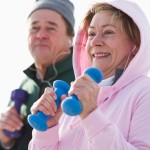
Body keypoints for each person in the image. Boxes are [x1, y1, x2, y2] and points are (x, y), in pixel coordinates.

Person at [28, 0, 150, 149]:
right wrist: (47, 130)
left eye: (108, 32)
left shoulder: (144, 91)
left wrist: (91, 115)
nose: (95, 42)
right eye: (91, 34)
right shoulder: (72, 97)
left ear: (136, 45)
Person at [0, 0, 75, 149]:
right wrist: (5, 140)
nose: (40, 35)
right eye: (34, 28)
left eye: (51, 28)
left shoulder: (81, 78)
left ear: (70, 37)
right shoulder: (25, 83)